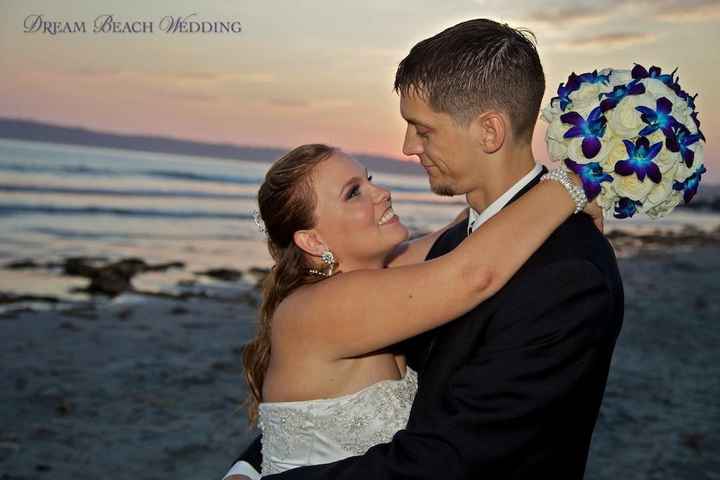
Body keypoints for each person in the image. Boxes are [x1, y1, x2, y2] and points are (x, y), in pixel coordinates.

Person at [227, 18, 623, 480]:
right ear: (312, 240)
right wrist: (571, 183)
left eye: (423, 129)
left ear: (489, 131)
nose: (407, 146)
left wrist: (563, 192)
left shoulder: (567, 272)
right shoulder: (443, 261)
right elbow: (469, 271)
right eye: (353, 192)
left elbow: (457, 460)